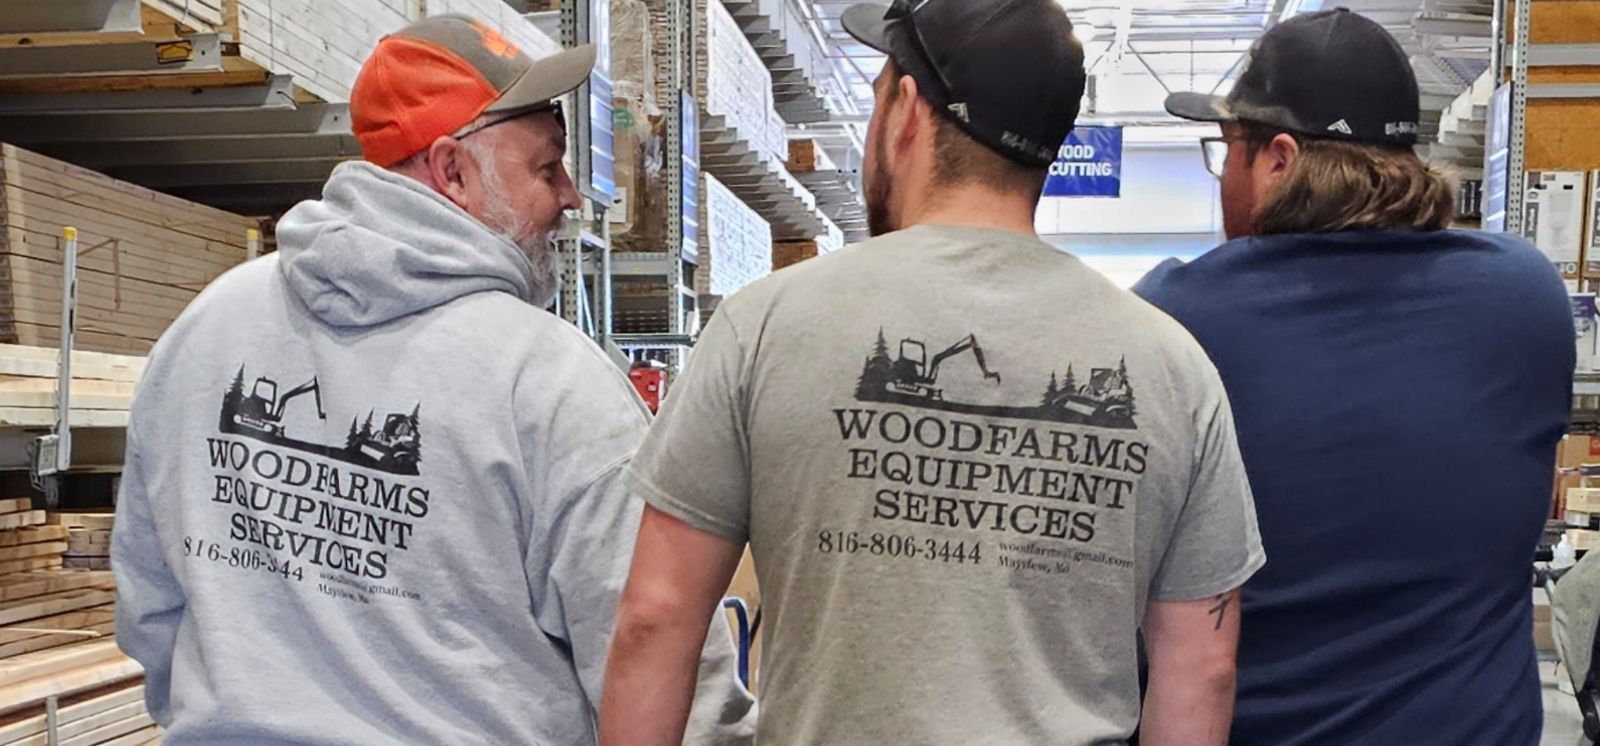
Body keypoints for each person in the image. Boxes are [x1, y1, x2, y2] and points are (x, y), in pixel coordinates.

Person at [599, 1, 1264, 743]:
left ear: (906, 111)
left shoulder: (765, 326)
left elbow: (657, 619)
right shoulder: (1171, 366)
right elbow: (1201, 666)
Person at [111, 14, 755, 744]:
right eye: (548, 169)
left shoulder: (210, 325)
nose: (571, 198)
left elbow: (149, 601)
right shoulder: (546, 379)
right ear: (452, 170)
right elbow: (648, 641)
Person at [1135, 9, 1574, 745]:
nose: (1224, 176)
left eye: (1228, 150)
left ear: (1277, 158)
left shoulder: (1178, 317)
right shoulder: (1524, 300)